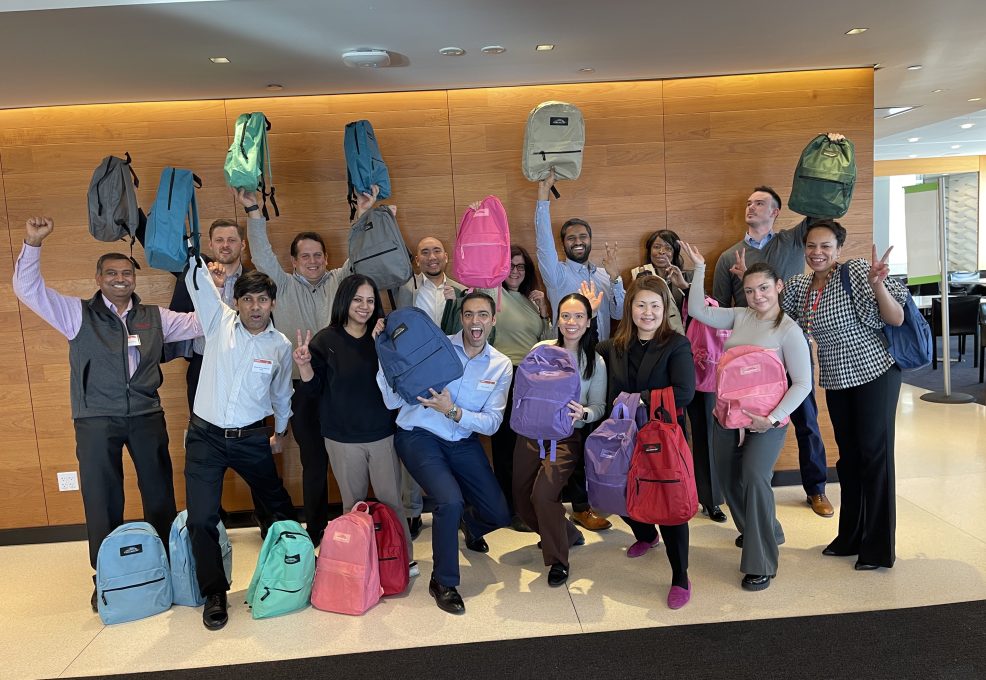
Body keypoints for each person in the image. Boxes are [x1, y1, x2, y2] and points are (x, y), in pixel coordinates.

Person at [12, 217, 202, 611]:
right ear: (98, 278)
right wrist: (32, 244)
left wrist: (222, 281)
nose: (120, 279)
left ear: (135, 278)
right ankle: (108, 576)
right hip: (96, 418)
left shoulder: (155, 316)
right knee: (102, 498)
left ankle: (168, 566)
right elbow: (26, 289)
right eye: (112, 273)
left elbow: (204, 322)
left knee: (159, 493)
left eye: (127, 273)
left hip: (147, 414)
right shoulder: (76, 314)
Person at [683, 243, 812, 591]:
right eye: (751, 290)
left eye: (764, 288)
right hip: (726, 417)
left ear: (778, 287)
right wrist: (699, 268)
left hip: (766, 424)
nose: (757, 296)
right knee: (728, 481)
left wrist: (772, 419)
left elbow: (802, 384)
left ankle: (761, 561)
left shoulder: (789, 331)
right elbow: (697, 310)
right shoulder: (740, 316)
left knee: (755, 478)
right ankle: (764, 529)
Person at [240, 186, 363, 545]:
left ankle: (351, 525)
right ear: (293, 262)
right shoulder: (282, 285)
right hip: (298, 387)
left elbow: (357, 254)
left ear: (326, 258)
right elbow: (261, 254)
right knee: (313, 461)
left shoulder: (341, 281)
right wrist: (252, 211)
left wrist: (362, 216)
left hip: (339, 385)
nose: (312, 261)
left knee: (346, 458)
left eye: (317, 256)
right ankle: (317, 530)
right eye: (304, 256)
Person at [377, 292, 512, 614]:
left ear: (493, 320)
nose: (475, 322)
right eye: (468, 315)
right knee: (448, 500)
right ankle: (444, 581)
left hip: (462, 438)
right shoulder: (434, 344)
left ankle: (467, 523)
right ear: (460, 318)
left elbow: (492, 424)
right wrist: (384, 362)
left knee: (499, 513)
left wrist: (453, 412)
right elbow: (394, 401)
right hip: (419, 434)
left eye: (482, 315)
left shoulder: (501, 365)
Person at [782, 221, 906, 571]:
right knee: (849, 459)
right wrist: (755, 284)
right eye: (811, 246)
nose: (817, 252)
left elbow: (894, 318)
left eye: (825, 246)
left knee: (874, 456)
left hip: (875, 373)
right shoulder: (799, 286)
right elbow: (778, 321)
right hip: (836, 380)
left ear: (838, 249)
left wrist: (879, 285)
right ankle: (850, 537)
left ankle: (878, 548)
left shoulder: (857, 272)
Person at [182, 258, 297, 630]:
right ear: (236, 301)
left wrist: (279, 431)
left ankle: (291, 573)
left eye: (262, 300)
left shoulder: (279, 345)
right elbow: (194, 279)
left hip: (251, 437)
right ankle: (214, 593)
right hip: (205, 438)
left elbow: (282, 393)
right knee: (201, 519)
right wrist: (204, 268)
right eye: (247, 299)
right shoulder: (218, 322)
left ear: (272, 304)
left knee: (278, 506)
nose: (254, 307)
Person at [711, 181, 834, 518]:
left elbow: (822, 211)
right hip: (749, 360)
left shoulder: (793, 240)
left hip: (790, 344)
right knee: (747, 427)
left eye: (760, 203)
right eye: (749, 202)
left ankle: (817, 489)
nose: (752, 207)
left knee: (806, 418)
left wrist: (829, 153)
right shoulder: (727, 257)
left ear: (775, 212)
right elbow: (721, 308)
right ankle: (749, 502)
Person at [292, 273, 414, 572]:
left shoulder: (383, 338)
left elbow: (400, 377)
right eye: (358, 299)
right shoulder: (325, 340)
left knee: (392, 503)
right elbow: (312, 390)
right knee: (353, 506)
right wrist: (305, 366)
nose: (365, 306)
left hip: (382, 433)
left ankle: (401, 559)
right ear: (345, 300)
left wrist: (383, 343)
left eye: (371, 301)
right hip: (341, 438)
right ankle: (359, 562)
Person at [596, 276, 695, 609]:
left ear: (664, 308)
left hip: (663, 434)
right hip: (624, 434)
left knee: (669, 505)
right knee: (619, 491)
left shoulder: (676, 344)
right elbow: (585, 356)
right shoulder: (615, 345)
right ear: (630, 308)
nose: (648, 312)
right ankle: (646, 535)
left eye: (655, 305)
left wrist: (639, 399)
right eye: (641, 304)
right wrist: (590, 312)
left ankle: (680, 575)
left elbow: (685, 392)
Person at [167, 217, 271, 534]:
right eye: (219, 240)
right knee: (205, 442)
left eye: (232, 240)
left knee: (255, 444)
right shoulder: (195, 279)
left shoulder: (256, 280)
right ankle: (212, 520)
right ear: (211, 245)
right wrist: (211, 289)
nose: (226, 245)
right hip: (203, 369)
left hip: (249, 371)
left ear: (242, 245)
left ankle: (268, 520)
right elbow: (177, 320)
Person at [535, 169, 621, 533]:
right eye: (570, 238)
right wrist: (542, 196)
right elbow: (541, 240)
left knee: (596, 430)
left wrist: (615, 279)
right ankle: (578, 505)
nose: (578, 241)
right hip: (567, 356)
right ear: (563, 243)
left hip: (600, 356)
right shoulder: (555, 273)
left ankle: (594, 498)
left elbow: (617, 313)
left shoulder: (602, 273)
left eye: (583, 236)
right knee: (570, 433)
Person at [513, 291, 605, 587]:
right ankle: (567, 533)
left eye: (579, 316)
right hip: (530, 432)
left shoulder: (595, 362)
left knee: (543, 495)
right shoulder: (541, 348)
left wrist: (585, 412)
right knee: (522, 498)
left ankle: (558, 560)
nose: (571, 322)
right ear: (557, 319)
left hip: (565, 437)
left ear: (588, 322)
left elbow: (599, 407)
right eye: (566, 315)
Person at [634, 230, 723, 522]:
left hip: (698, 363)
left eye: (667, 248)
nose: (661, 252)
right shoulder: (640, 276)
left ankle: (711, 499)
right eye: (656, 247)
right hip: (664, 364)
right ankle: (674, 490)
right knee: (672, 434)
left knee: (705, 433)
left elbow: (707, 312)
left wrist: (684, 287)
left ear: (675, 253)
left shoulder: (686, 277)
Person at [394, 234, 466, 539]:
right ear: (417, 260)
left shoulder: (463, 290)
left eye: (437, 250)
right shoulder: (403, 291)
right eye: (425, 252)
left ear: (446, 256)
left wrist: (457, 304)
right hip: (416, 377)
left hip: (454, 376)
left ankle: (460, 510)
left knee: (457, 443)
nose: (432, 256)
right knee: (414, 441)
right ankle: (411, 511)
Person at [489, 244, 551, 532]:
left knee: (531, 447)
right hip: (505, 375)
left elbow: (548, 340)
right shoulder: (494, 293)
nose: (515, 271)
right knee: (506, 446)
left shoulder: (530, 300)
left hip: (534, 377)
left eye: (520, 266)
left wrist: (543, 311)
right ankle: (512, 509)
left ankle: (529, 503)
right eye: (509, 265)